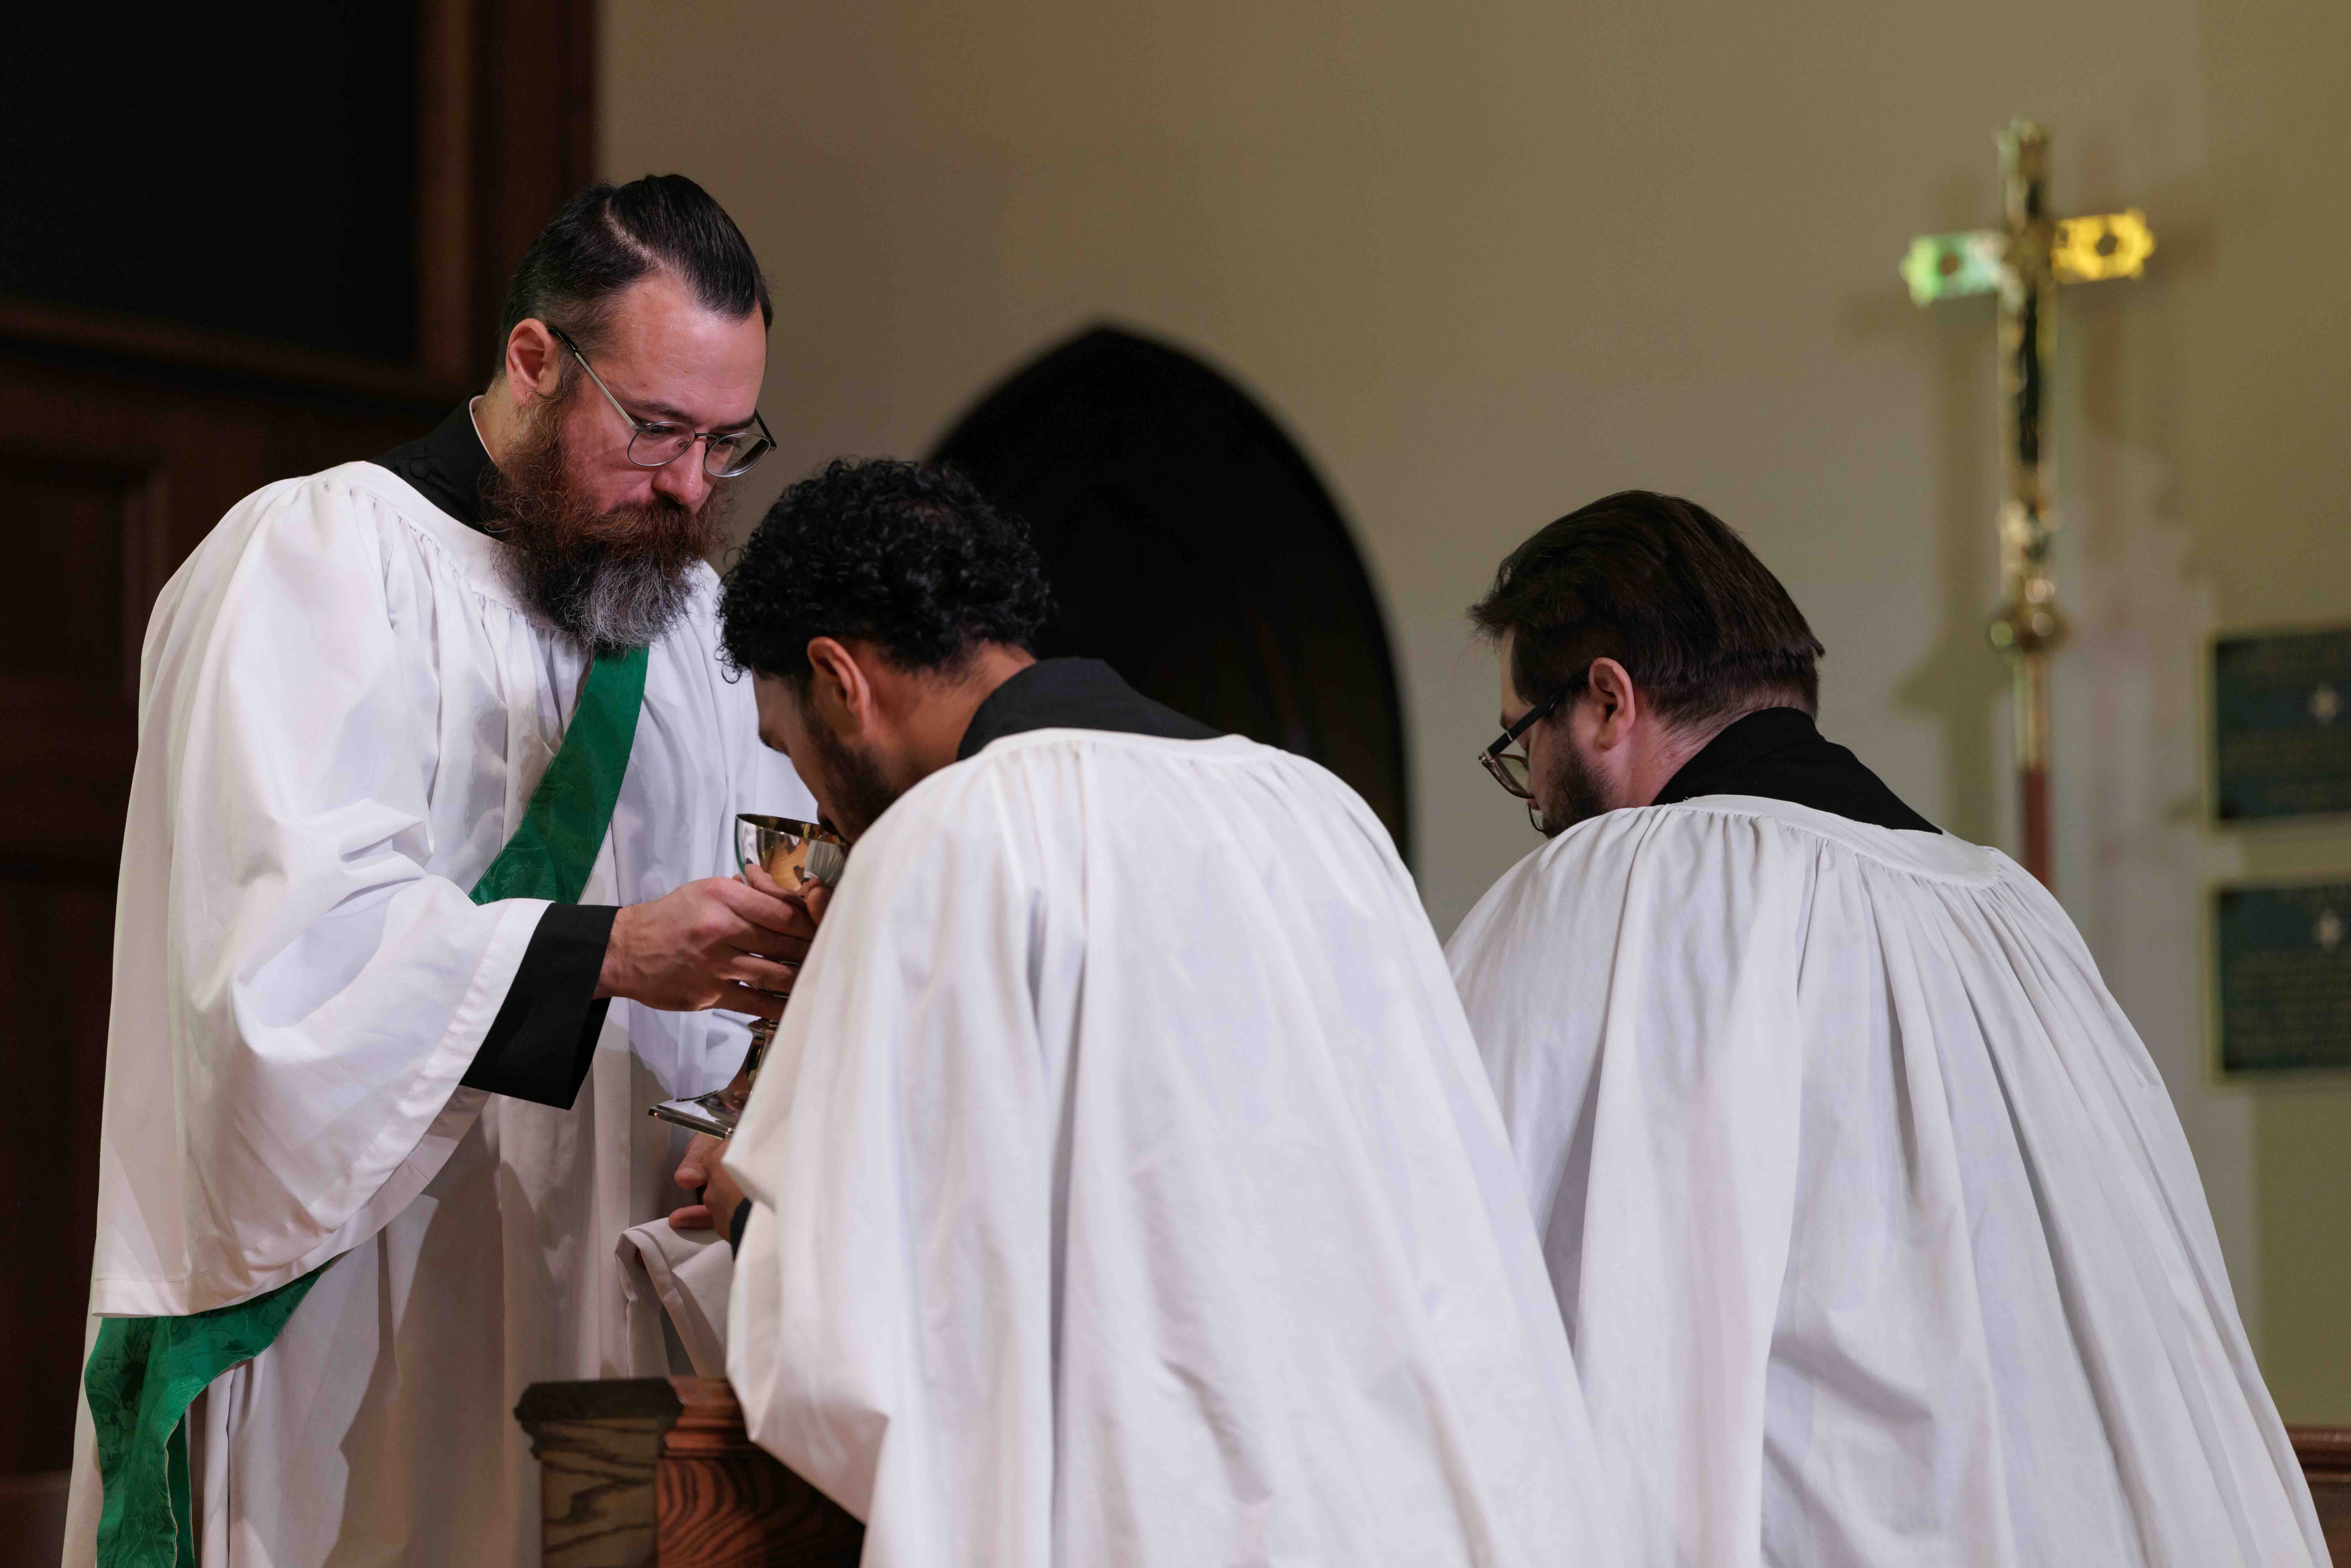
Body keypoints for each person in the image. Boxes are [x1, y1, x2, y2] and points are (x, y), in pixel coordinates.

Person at [64, 175, 819, 1567]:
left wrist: (759, 1101)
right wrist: (600, 952)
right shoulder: (314, 560)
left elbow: (766, 929)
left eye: (727, 444)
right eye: (655, 429)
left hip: (604, 1281)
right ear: (535, 359)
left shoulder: (698, 621)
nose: (689, 489)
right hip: (361, 1292)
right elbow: (273, 971)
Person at [690, 457, 1610, 1567]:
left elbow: (860, 1360)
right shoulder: (1317, 810)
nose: (816, 804)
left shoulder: (939, 846)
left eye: (790, 749)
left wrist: (749, 1212)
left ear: (840, 680)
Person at [1444, 489, 2327, 1567]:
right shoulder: (2009, 909)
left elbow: (1448, 1258)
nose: (1532, 796)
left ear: (1607, 702)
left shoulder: (1611, 887)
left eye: (1520, 743)